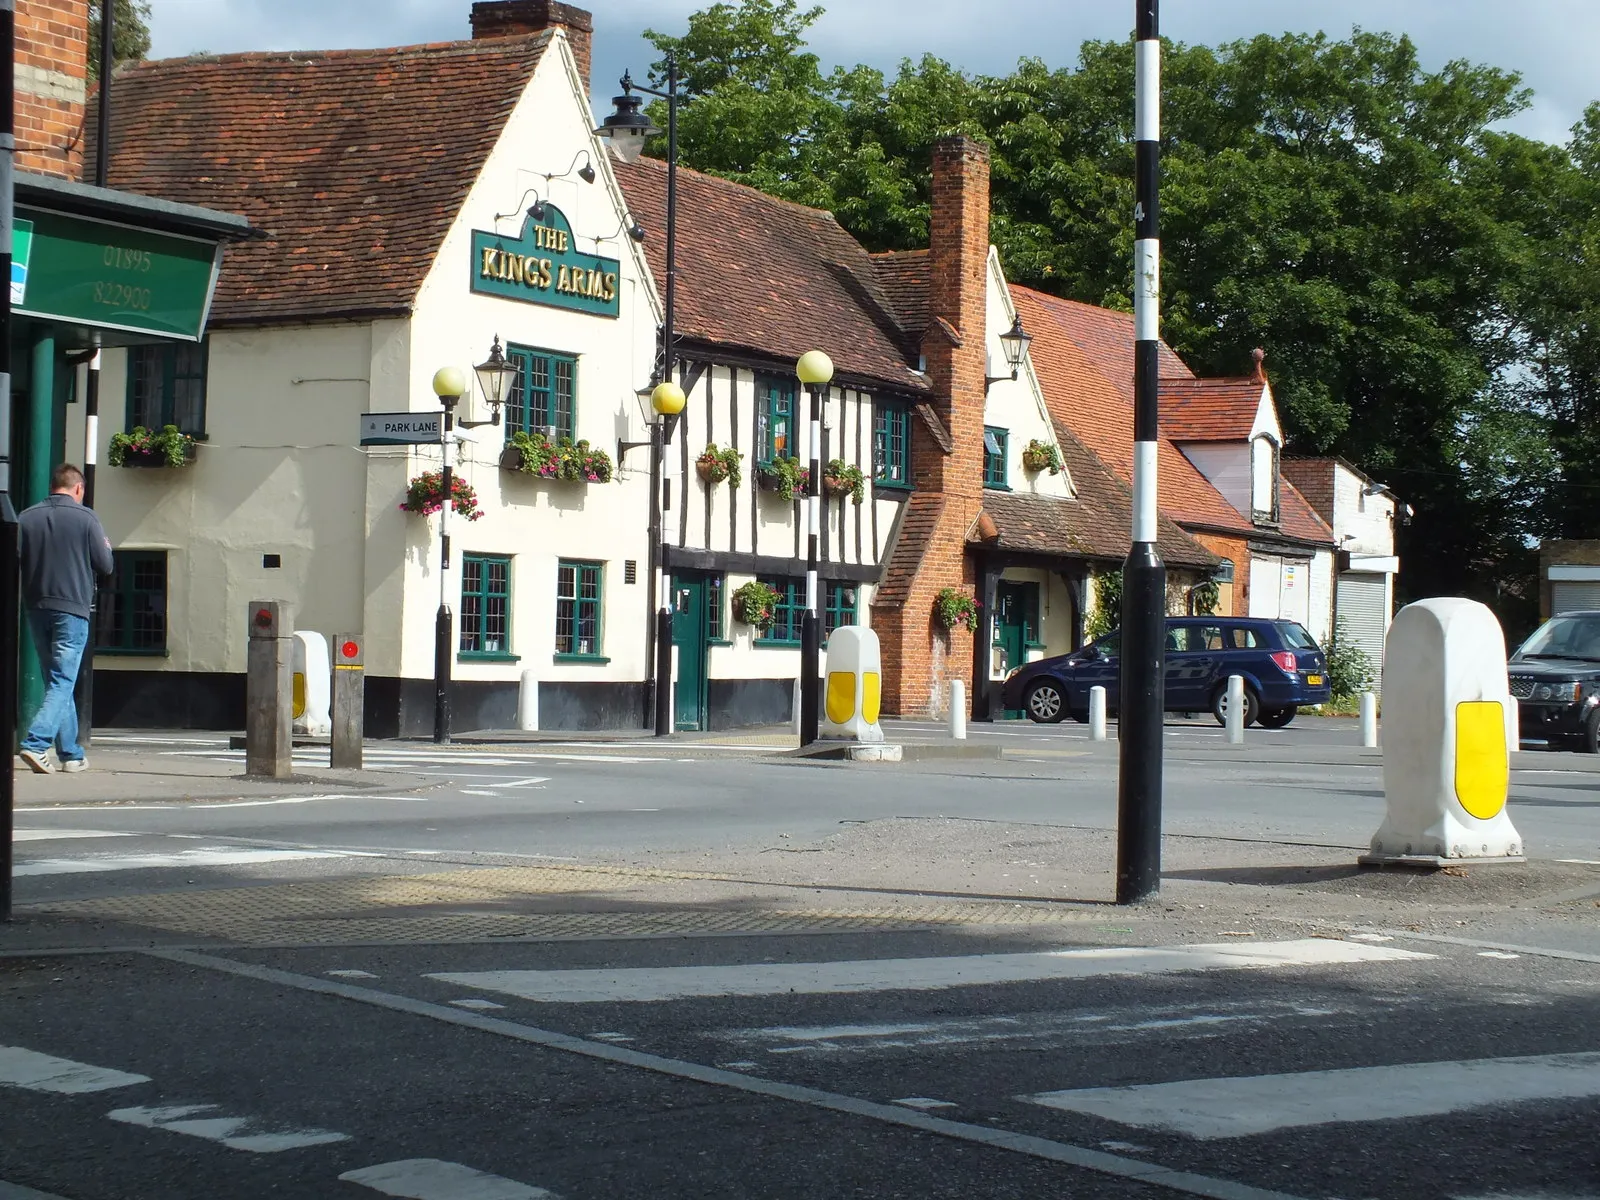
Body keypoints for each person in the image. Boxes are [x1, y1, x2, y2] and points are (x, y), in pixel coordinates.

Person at [17, 463, 114, 774]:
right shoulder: (86, 518)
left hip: (36, 606)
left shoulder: (26, 517)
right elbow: (105, 564)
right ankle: (35, 743)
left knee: (57, 680)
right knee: (62, 680)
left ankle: (71, 754)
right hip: (72, 608)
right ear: (78, 489)